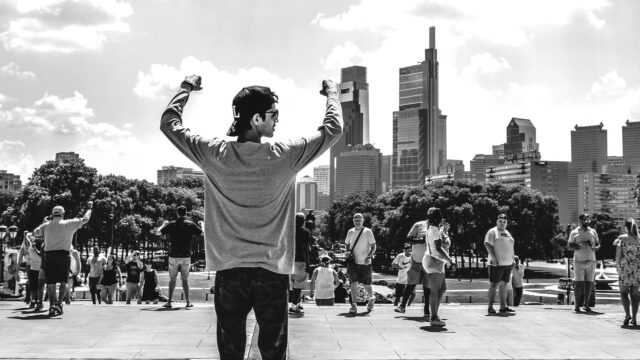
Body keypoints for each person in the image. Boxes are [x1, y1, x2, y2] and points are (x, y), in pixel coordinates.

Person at [160, 75, 342, 360]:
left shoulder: (213, 153)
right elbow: (333, 129)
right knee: (273, 351)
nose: (277, 120)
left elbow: (170, 124)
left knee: (230, 350)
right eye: (273, 114)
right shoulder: (286, 155)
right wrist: (332, 94)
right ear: (257, 118)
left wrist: (185, 88)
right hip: (271, 272)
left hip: (230, 271)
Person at [32, 202, 92, 316]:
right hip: (64, 255)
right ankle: (59, 304)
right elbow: (85, 219)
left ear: (52, 214)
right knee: (64, 282)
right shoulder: (69, 223)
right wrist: (89, 208)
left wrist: (44, 223)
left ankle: (51, 306)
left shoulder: (46, 225)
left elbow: (34, 233)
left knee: (51, 283)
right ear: (63, 214)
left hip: (49, 256)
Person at [153, 206, 203, 308]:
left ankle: (169, 302)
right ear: (186, 213)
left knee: (172, 279)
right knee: (185, 280)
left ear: (177, 213)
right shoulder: (190, 224)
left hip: (174, 255)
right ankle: (188, 302)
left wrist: (163, 224)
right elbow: (202, 233)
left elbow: (158, 232)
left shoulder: (172, 224)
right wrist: (202, 224)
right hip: (186, 255)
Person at [422, 208, 452, 327]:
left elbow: (443, 242)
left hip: (436, 261)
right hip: (433, 260)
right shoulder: (434, 230)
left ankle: (435, 315)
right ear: (437, 218)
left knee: (442, 289)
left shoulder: (434, 229)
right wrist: (449, 259)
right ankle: (433, 317)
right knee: (435, 291)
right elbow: (439, 248)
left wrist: (445, 230)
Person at [396, 215, 430, 317]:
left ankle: (427, 310)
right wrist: (421, 240)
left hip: (429, 261)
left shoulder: (438, 227)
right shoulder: (419, 225)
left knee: (427, 286)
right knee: (410, 283)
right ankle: (402, 306)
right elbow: (408, 239)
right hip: (416, 259)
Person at [345, 213, 377, 315]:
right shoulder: (350, 231)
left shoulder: (368, 231)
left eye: (359, 220)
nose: (357, 222)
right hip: (353, 262)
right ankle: (354, 305)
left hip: (365, 262)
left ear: (363, 220)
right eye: (355, 221)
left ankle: (371, 297)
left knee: (366, 285)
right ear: (353, 221)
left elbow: (373, 246)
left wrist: (369, 256)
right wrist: (346, 252)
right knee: (353, 283)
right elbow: (347, 245)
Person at [568, 213, 600, 313]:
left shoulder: (593, 231)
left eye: (588, 219)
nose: (587, 221)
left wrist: (595, 248)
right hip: (579, 261)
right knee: (578, 283)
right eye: (585, 219)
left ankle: (586, 304)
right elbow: (569, 246)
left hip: (591, 260)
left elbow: (598, 245)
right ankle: (577, 305)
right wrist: (579, 246)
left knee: (589, 283)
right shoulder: (574, 232)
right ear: (581, 220)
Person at [484, 213, 516, 314]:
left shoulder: (507, 232)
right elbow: (487, 244)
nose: (502, 223)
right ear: (497, 221)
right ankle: (490, 307)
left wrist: (513, 259)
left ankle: (503, 307)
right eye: (500, 221)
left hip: (508, 264)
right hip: (496, 263)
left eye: (504, 222)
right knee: (494, 284)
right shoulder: (492, 232)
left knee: (504, 284)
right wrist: (493, 257)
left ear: (506, 223)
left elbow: (510, 246)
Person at [614, 218, 640, 326]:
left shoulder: (621, 238)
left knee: (623, 293)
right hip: (637, 269)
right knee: (635, 295)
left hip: (625, 268)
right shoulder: (639, 239)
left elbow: (618, 255)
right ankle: (634, 318)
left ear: (626, 227)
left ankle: (627, 315)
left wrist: (617, 266)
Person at [290, 212, 312, 315]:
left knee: (295, 284)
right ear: (303, 222)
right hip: (300, 261)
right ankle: (294, 307)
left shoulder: (289, 231)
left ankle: (298, 304)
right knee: (298, 285)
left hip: (289, 261)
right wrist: (307, 262)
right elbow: (304, 248)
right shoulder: (305, 232)